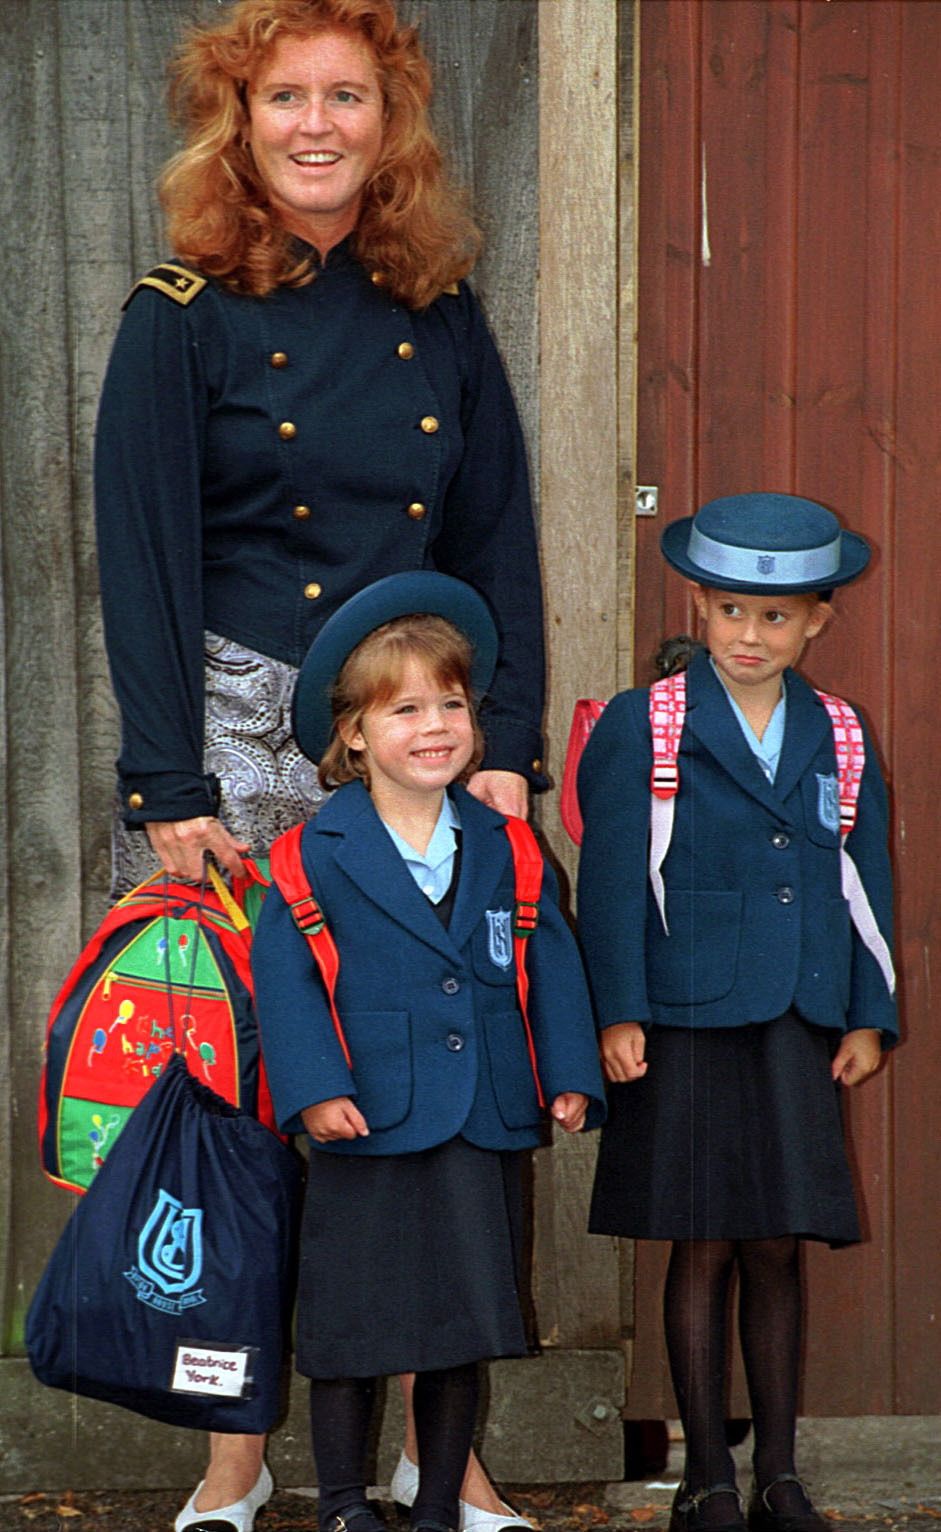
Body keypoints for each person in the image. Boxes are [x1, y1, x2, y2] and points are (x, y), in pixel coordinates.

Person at [93, 2, 547, 1526]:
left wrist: (508, 754)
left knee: (434, 1092)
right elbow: (142, 558)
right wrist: (167, 787)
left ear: (388, 118)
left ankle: (440, 1448)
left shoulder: (441, 298)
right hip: (227, 743)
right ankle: (235, 1446)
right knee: (233, 1106)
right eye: (282, 94)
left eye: (344, 95)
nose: (314, 123)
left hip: (410, 743)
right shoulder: (182, 307)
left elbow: (497, 538)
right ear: (235, 117)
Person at [251, 571, 606, 1532]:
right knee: (352, 1325)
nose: (435, 724)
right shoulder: (308, 855)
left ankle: (440, 1502)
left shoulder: (507, 845)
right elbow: (284, 985)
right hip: (366, 1116)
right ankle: (340, 1505)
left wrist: (567, 1072)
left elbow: (549, 960)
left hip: (483, 1110)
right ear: (354, 734)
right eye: (404, 708)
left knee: (460, 1322)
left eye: (450, 703)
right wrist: (313, 1089)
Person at [576, 494, 898, 1532]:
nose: (748, 636)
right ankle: (707, 1474)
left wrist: (865, 1013)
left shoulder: (838, 732)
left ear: (815, 620)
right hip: (680, 1017)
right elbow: (613, 878)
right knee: (700, 1239)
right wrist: (617, 1010)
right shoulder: (648, 720)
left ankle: (781, 1471)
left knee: (774, 1242)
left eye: (774, 616)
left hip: (797, 1018)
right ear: (699, 609)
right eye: (728, 612)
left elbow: (864, 882)